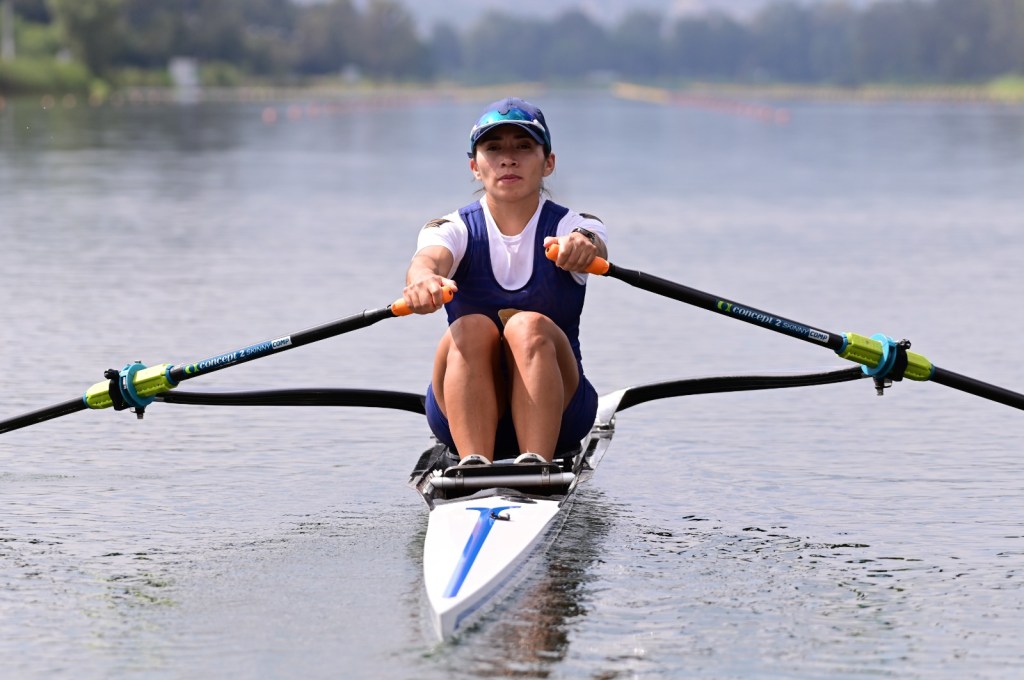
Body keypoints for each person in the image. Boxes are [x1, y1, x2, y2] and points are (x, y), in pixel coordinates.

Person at [402, 97, 608, 466]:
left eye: (523, 147)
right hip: (459, 415)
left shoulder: (575, 226)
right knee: (471, 328)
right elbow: (428, 259)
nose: (508, 159)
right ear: (474, 166)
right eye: (493, 148)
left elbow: (593, 242)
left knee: (527, 326)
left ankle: (536, 466)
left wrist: (582, 247)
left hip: (561, 414)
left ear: (549, 163)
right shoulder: (450, 229)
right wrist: (422, 280)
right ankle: (473, 463)